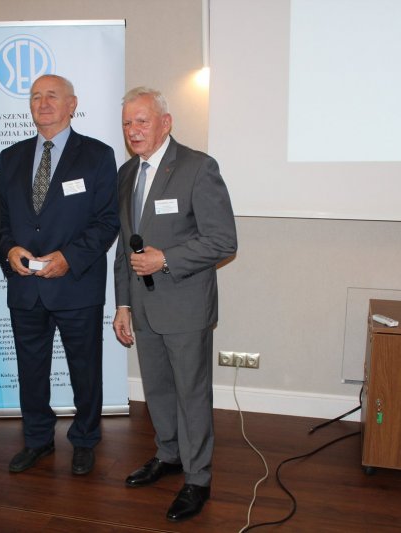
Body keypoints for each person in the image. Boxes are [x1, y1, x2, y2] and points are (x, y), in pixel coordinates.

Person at [112, 87, 237, 521]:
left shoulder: (198, 167)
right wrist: (123, 305)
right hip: (143, 309)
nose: (133, 130)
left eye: (142, 121)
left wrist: (166, 259)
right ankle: (169, 455)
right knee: (158, 390)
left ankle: (198, 478)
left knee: (191, 394)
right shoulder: (126, 173)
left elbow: (223, 241)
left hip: (185, 306)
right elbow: (123, 247)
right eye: (127, 123)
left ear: (165, 123)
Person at [0, 74, 119, 476]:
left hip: (76, 285)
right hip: (25, 287)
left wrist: (69, 257)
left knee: (85, 369)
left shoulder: (97, 155)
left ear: (72, 104)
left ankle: (84, 440)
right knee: (31, 370)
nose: (43, 103)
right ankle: (37, 439)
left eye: (52, 96)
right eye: (36, 96)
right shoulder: (10, 157)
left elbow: (107, 221)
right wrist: (8, 249)